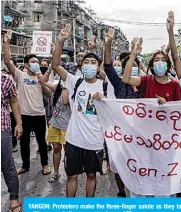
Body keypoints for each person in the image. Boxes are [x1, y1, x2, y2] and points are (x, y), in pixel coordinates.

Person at [122, 12, 181, 197]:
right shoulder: (146, 80)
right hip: (145, 137)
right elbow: (125, 78)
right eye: (156, 60)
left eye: (163, 60)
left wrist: (166, 107)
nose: (160, 62)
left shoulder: (174, 85)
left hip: (166, 140)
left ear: (168, 65)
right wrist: (133, 54)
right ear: (151, 64)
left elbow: (180, 112)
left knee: (163, 177)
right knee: (146, 174)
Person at [52, 24, 106, 197]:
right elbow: (55, 65)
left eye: (93, 63)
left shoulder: (105, 86)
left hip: (95, 141)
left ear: (98, 67)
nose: (89, 65)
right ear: (81, 66)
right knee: (72, 176)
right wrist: (61, 41)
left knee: (91, 176)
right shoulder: (74, 82)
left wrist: (104, 100)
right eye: (86, 63)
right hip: (74, 140)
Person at [100, 28, 144, 197]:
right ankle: (121, 192)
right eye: (129, 66)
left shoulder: (146, 85)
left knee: (138, 166)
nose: (132, 68)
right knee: (118, 165)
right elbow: (109, 66)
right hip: (120, 135)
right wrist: (108, 43)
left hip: (140, 137)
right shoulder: (120, 85)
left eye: (135, 66)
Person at [3, 30, 52, 176]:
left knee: (42, 142)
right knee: (24, 143)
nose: (36, 64)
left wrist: (41, 80)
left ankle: (45, 165)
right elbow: (7, 61)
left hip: (38, 114)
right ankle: (25, 165)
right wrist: (6, 43)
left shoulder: (40, 76)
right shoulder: (20, 75)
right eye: (33, 62)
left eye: (37, 62)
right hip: (24, 115)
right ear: (26, 65)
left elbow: (48, 93)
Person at [1, 70, 23, 212]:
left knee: (7, 165)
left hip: (2, 129)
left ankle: (14, 198)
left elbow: (14, 101)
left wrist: (19, 123)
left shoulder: (6, 79)